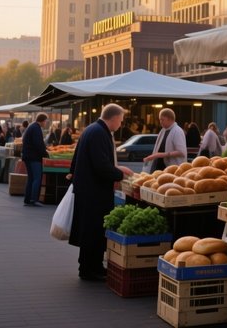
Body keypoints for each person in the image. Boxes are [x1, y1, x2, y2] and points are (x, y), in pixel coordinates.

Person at [66, 103, 133, 281]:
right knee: (94, 230)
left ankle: (92, 266)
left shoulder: (92, 129)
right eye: (121, 120)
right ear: (113, 118)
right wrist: (119, 174)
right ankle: (89, 269)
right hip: (93, 191)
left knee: (91, 230)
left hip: (88, 188)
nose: (121, 124)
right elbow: (101, 165)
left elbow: (77, 157)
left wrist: (72, 173)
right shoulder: (99, 133)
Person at [144, 108, 187, 172]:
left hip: (174, 169)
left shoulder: (177, 131)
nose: (160, 122)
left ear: (169, 119)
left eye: (162, 120)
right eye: (160, 120)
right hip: (161, 168)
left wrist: (161, 154)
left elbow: (181, 152)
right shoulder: (163, 130)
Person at [21, 112, 49, 206]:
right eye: (46, 121)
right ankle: (34, 199)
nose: (46, 123)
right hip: (34, 157)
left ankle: (27, 199)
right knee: (37, 178)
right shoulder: (36, 128)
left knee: (31, 178)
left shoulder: (32, 126)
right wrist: (45, 153)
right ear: (42, 121)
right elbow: (38, 144)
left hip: (28, 156)